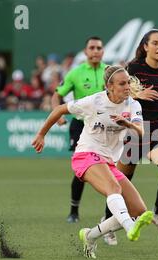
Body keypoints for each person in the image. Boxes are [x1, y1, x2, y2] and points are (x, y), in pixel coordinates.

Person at [32, 66, 154, 259]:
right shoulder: (94, 101)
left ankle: (90, 235)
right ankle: (129, 227)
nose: (127, 87)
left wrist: (127, 124)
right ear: (109, 86)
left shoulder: (133, 105)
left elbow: (140, 131)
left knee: (139, 211)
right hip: (86, 155)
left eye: (128, 83)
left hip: (107, 162)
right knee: (113, 188)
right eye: (122, 84)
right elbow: (59, 109)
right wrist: (41, 134)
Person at [102, 29, 158, 241]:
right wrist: (137, 93)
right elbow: (113, 89)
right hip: (134, 132)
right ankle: (106, 225)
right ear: (145, 46)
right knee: (120, 184)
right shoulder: (133, 68)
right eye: (156, 43)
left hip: (157, 131)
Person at [51, 36, 107, 224]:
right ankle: (74, 211)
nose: (95, 51)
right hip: (81, 125)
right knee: (81, 171)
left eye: (99, 48)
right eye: (92, 47)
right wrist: (58, 114)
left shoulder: (110, 72)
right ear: (85, 52)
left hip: (105, 126)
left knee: (111, 168)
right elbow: (57, 95)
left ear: (103, 51)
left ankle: (111, 212)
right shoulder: (75, 73)